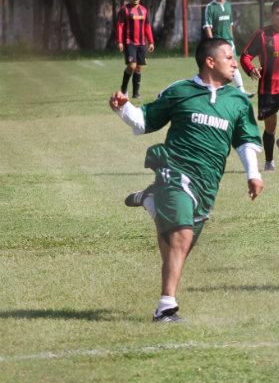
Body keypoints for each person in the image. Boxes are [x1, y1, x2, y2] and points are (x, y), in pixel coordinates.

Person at [108, 38, 264, 322]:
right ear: (210, 61)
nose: (234, 64)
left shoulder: (238, 101)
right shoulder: (180, 91)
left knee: (176, 245)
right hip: (174, 170)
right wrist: (123, 108)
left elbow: (246, 142)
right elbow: (145, 121)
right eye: (229, 58)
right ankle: (166, 307)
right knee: (182, 235)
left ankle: (151, 201)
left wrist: (253, 174)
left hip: (207, 184)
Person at [240, 0, 279, 171]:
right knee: (271, 126)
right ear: (272, 16)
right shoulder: (262, 35)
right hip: (267, 89)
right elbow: (245, 56)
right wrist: (251, 69)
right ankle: (269, 162)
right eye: (278, 13)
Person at [203, 0, 254, 97]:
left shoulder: (228, 5)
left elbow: (230, 24)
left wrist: (232, 38)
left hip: (229, 41)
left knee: (233, 63)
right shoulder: (210, 7)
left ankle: (241, 90)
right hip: (218, 42)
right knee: (218, 66)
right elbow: (207, 26)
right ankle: (213, 88)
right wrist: (212, 42)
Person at [117, 0, 155, 99]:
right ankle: (124, 88)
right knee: (132, 66)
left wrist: (151, 42)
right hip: (129, 43)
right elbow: (120, 26)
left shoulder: (144, 10)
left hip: (142, 44)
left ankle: (135, 93)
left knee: (139, 68)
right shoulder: (124, 10)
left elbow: (147, 27)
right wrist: (119, 42)